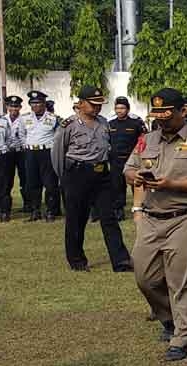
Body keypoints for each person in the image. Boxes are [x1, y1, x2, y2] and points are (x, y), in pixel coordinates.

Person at [124, 87, 187, 362]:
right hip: (152, 218)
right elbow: (129, 168)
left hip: (185, 217)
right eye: (158, 115)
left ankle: (181, 337)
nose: (162, 121)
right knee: (145, 277)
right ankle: (168, 319)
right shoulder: (147, 139)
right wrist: (136, 177)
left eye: (167, 115)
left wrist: (173, 184)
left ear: (182, 111)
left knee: (182, 280)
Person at [53, 85, 132, 273]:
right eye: (93, 104)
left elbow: (108, 149)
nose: (97, 108)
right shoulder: (69, 125)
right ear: (81, 103)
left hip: (101, 175)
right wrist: (64, 178)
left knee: (109, 217)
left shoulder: (104, 123)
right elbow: (57, 154)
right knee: (76, 219)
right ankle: (77, 260)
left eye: (99, 104)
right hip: (77, 174)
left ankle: (120, 261)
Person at [21, 91, 60, 221]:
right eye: (33, 103)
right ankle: (35, 211)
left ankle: (50, 211)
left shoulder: (53, 118)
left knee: (50, 183)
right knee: (32, 183)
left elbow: (58, 136)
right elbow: (21, 134)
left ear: (44, 104)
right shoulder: (25, 118)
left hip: (47, 153)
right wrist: (27, 145)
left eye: (38, 103)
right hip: (31, 153)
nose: (35, 105)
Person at [108, 97, 145, 222]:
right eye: (117, 108)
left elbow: (143, 140)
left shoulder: (136, 123)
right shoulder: (111, 124)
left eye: (122, 108)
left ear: (127, 109)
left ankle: (140, 207)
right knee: (117, 186)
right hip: (116, 160)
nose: (119, 111)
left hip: (132, 160)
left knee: (136, 184)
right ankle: (119, 210)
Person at [5, 95, 23, 216]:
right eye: (11, 106)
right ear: (7, 107)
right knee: (7, 180)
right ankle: (6, 206)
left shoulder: (25, 119)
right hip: (7, 154)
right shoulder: (2, 119)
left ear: (20, 107)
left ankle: (28, 204)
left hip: (21, 152)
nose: (14, 108)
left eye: (16, 106)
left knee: (25, 179)